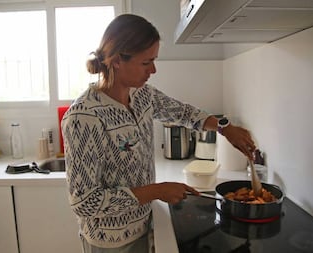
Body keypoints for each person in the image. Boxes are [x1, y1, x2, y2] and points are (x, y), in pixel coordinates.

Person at [61, 14, 256, 253]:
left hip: (144, 224)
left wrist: (225, 128)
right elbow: (84, 203)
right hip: (110, 242)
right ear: (117, 60)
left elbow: (183, 113)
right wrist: (157, 190)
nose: (153, 70)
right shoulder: (84, 117)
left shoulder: (143, 95)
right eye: (146, 62)